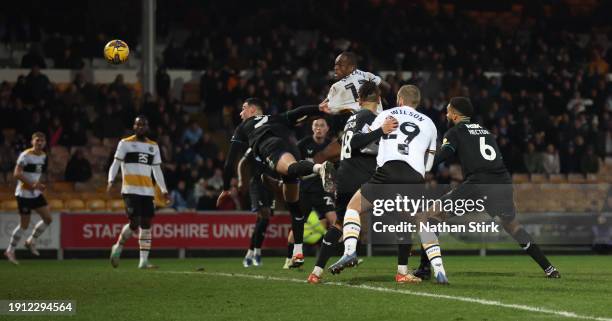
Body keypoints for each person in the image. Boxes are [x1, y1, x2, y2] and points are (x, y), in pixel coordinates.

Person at [422, 97, 560, 279]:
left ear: (455, 114)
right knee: (512, 226)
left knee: (433, 213)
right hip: (502, 182)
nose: (446, 114)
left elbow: (445, 154)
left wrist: (422, 166)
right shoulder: (485, 131)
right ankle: (549, 269)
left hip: (479, 182)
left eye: (448, 111)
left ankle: (424, 270)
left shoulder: (454, 132)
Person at [328, 85, 444, 284]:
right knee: (417, 221)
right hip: (414, 177)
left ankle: (349, 252)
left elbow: (356, 142)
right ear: (417, 102)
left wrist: (381, 131)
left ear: (399, 99)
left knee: (353, 208)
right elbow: (430, 162)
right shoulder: (429, 123)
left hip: (386, 173)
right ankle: (434, 270)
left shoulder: (386, 115)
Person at [219, 98, 328, 268]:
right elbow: (298, 111)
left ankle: (318, 169)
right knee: (295, 208)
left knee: (290, 170)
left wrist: (225, 187)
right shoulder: (276, 117)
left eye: (244, 109)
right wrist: (319, 108)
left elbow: (229, 162)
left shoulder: (244, 127)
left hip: (273, 148)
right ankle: (298, 252)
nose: (241, 113)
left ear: (253, 110)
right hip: (291, 148)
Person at [308, 81, 390, 283]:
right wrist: (382, 131)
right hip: (362, 175)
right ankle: (408, 268)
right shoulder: (371, 118)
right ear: (378, 99)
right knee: (402, 212)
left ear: (359, 100)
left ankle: (317, 272)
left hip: (344, 175)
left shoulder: (353, 118)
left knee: (338, 224)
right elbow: (355, 142)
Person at [107, 116, 170, 269]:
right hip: (130, 189)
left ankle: (143, 261)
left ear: (147, 127)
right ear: (134, 126)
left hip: (148, 191)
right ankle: (118, 246)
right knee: (134, 222)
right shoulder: (125, 143)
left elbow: (157, 170)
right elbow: (116, 163)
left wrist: (164, 189)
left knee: (146, 224)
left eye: (143, 124)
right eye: (138, 124)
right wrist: (110, 181)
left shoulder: (153, 146)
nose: (140, 127)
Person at [283, 118, 336, 269]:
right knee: (298, 224)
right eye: (316, 125)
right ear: (312, 128)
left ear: (327, 128)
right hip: (304, 191)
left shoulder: (332, 146)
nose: (319, 128)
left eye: (322, 125)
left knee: (335, 220)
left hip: (323, 191)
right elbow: (293, 163)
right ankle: (289, 258)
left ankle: (347, 254)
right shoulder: (303, 145)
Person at [4, 132, 52, 265]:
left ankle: (31, 241)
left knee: (48, 219)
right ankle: (10, 250)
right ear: (32, 142)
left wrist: (38, 185)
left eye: (42, 141)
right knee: (24, 225)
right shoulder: (25, 155)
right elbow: (16, 174)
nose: (39, 143)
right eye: (37, 140)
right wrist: (32, 185)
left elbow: (35, 175)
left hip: (35, 193)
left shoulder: (43, 156)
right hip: (24, 194)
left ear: (45, 143)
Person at [238, 148, 276, 267]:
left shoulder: (276, 148)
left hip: (271, 186)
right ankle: (257, 253)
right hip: (257, 185)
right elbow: (241, 163)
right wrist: (240, 180)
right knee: (264, 215)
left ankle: (250, 253)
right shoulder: (254, 148)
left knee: (263, 220)